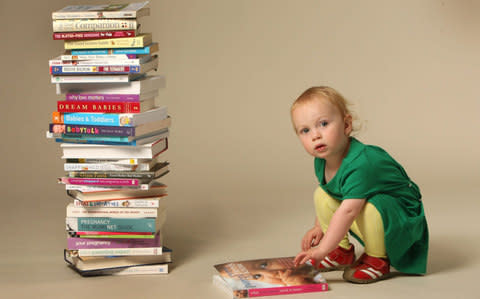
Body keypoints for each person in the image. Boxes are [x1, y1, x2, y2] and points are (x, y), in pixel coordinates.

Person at [291, 86, 429, 283]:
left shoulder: (361, 164)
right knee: (321, 195)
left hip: (402, 218)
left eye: (323, 124)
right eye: (305, 130)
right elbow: (332, 191)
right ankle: (342, 251)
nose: (315, 135)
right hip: (370, 211)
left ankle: (377, 260)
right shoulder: (322, 160)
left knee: (371, 206)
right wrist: (319, 226)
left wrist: (321, 249)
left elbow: (348, 210)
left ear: (346, 125)